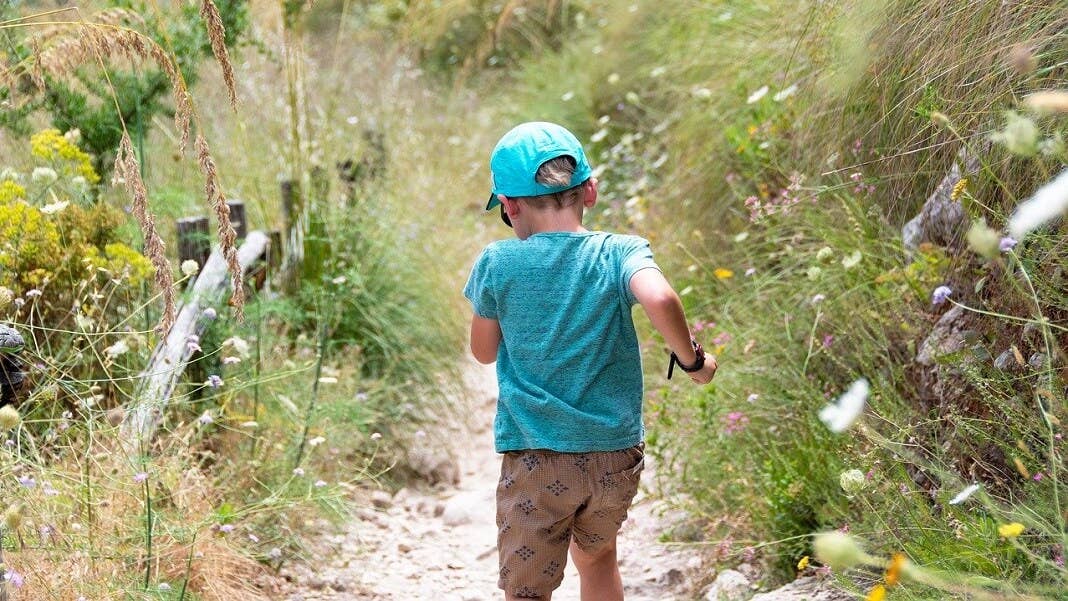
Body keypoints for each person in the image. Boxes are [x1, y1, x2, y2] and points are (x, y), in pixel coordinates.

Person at [463, 121, 717, 601]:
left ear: (509, 206)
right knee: (598, 558)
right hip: (613, 455)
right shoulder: (620, 251)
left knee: (527, 590)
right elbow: (659, 296)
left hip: (537, 456)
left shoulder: (497, 263)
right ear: (591, 191)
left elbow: (482, 352)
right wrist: (693, 361)